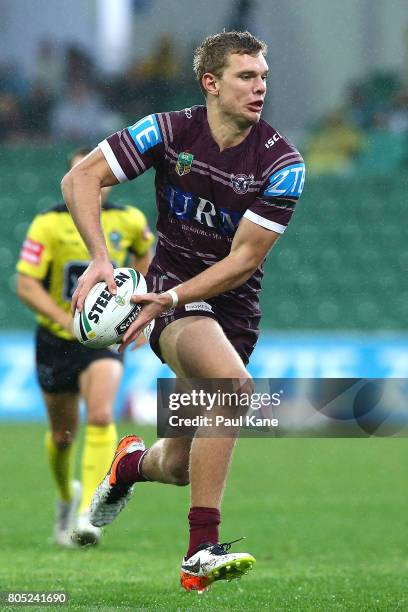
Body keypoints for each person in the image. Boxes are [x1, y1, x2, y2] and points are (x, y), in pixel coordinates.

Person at [62, 31, 305, 590]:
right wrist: (101, 259)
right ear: (211, 83)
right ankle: (201, 551)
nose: (259, 86)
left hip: (232, 313)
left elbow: (244, 260)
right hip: (167, 297)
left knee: (175, 465)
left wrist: (173, 297)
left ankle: (128, 466)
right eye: (246, 76)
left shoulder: (282, 164)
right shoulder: (168, 131)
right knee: (232, 388)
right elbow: (81, 177)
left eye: (264, 76)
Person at [16, 148, 154, 547]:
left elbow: (147, 260)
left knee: (99, 413)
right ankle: (66, 497)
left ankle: (87, 516)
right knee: (61, 436)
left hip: (102, 342)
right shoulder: (48, 224)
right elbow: (26, 284)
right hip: (55, 339)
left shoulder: (129, 220)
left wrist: (140, 311)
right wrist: (71, 324)